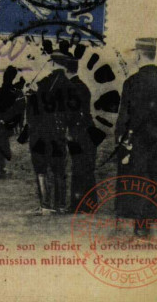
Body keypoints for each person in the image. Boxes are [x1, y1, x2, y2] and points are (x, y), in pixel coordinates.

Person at [115, 38, 157, 237]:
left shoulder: (131, 82)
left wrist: (121, 141)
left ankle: (141, 229)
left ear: (139, 54)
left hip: (139, 142)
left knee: (139, 183)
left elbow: (123, 119)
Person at [24, 53, 79, 215]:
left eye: (50, 61)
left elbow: (38, 111)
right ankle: (61, 205)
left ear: (54, 64)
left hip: (41, 134)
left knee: (41, 168)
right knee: (59, 170)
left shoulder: (45, 83)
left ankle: (45, 205)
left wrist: (31, 95)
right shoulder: (70, 85)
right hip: (60, 134)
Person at [66, 58, 97, 211]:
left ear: (66, 71)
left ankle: (77, 205)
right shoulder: (82, 86)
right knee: (88, 167)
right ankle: (91, 204)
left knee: (78, 167)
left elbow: (71, 113)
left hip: (78, 131)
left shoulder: (71, 88)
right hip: (88, 129)